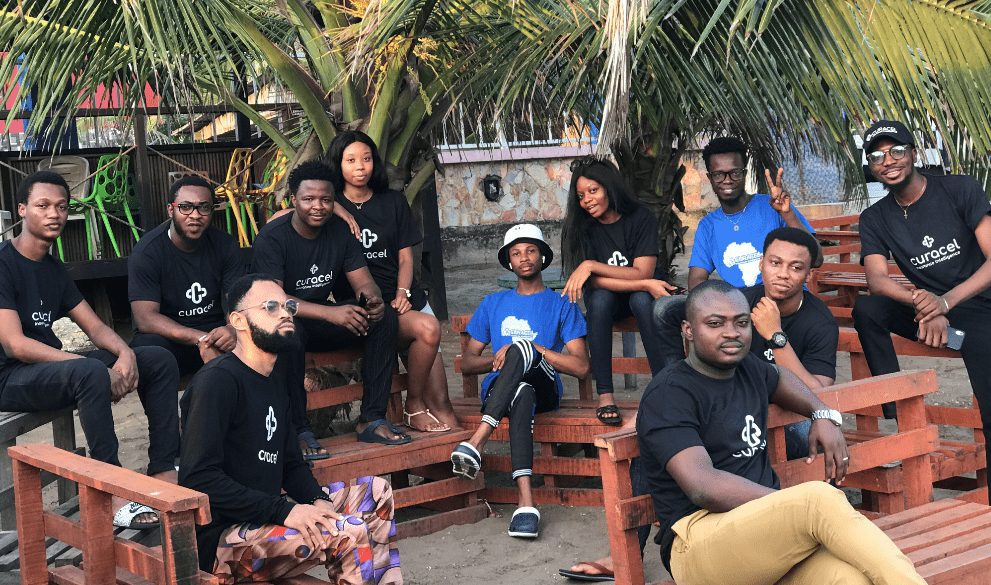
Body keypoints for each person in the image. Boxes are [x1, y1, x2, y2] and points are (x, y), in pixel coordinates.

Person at [562, 227, 838, 581]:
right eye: (775, 263)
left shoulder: (818, 319)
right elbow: (671, 312)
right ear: (761, 264)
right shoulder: (738, 301)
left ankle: (773, 528)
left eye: (795, 267)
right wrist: (676, 390)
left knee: (685, 440)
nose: (782, 274)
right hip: (728, 416)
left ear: (809, 274)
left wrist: (775, 336)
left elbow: (819, 391)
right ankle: (626, 556)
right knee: (656, 437)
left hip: (789, 425)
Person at [641, 281, 925, 585]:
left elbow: (780, 377)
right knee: (817, 500)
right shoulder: (670, 394)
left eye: (741, 323)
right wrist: (789, 508)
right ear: (688, 330)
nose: (731, 333)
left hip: (763, 539)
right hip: (698, 543)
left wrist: (822, 413)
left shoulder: (747, 369)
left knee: (851, 579)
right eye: (715, 323)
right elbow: (703, 486)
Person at [179, 273, 401, 584]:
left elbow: (291, 465)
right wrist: (285, 511)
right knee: (347, 532)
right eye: (270, 307)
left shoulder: (274, 382)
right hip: (223, 539)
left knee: (376, 492)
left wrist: (317, 500)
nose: (285, 313)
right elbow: (199, 478)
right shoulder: (218, 381)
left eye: (288, 306)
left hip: (266, 514)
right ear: (238, 321)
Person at [0, 171, 180, 530]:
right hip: (9, 377)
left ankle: (163, 470)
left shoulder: (52, 267)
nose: (54, 214)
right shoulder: (4, 264)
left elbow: (95, 328)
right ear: (22, 210)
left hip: (47, 371)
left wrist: (125, 354)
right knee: (90, 370)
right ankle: (109, 490)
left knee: (156, 358)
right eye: (42, 206)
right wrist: (99, 370)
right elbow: (15, 345)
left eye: (61, 207)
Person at [252, 160, 407, 456]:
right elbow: (272, 301)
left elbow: (364, 282)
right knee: (288, 332)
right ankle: (298, 430)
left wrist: (372, 300)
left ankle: (372, 419)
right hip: (281, 320)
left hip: (321, 318)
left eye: (325, 199)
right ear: (294, 200)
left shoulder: (339, 231)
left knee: (383, 318)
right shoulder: (272, 238)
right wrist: (331, 313)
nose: (318, 206)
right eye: (308, 199)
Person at [853, 119, 991, 437]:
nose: (888, 161)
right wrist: (924, 304)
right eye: (877, 156)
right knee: (867, 309)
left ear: (914, 154)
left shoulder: (959, 189)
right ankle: (896, 406)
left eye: (896, 151)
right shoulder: (874, 218)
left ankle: (957, 337)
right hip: (933, 317)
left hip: (979, 306)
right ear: (871, 166)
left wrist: (945, 303)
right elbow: (877, 280)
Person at [450, 224, 588, 538]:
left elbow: (581, 367)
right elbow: (468, 363)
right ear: (509, 262)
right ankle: (526, 503)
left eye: (530, 251)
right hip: (504, 392)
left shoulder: (561, 303)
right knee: (520, 390)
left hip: (545, 388)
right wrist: (500, 358)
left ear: (543, 257)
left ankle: (477, 441)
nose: (524, 258)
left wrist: (533, 349)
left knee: (523, 352)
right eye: (516, 253)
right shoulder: (493, 303)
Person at [327, 131, 456, 432]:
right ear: (338, 164)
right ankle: (414, 405)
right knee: (427, 328)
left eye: (366, 158)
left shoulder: (393, 201)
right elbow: (289, 211)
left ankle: (451, 447)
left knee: (442, 405)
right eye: (350, 160)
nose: (360, 166)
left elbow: (406, 258)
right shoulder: (326, 208)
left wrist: (402, 293)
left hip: (406, 300)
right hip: (367, 310)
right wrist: (333, 205)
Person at [560, 157, 677, 426]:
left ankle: (662, 389)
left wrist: (592, 265)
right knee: (600, 301)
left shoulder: (640, 218)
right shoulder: (581, 227)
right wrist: (642, 283)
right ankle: (605, 395)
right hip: (608, 297)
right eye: (581, 195)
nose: (587, 200)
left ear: (609, 187)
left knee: (641, 299)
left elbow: (643, 272)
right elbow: (595, 283)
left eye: (593, 190)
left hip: (642, 296)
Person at [129, 175, 246, 375]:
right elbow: (145, 319)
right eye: (185, 207)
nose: (195, 215)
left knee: (257, 333)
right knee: (147, 349)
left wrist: (232, 329)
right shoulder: (147, 252)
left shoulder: (226, 245)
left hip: (217, 333)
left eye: (204, 207)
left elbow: (237, 302)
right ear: (170, 210)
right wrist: (200, 339)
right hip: (172, 337)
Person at [688, 136, 815, 290]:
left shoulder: (774, 207)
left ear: (745, 173)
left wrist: (787, 215)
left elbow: (817, 259)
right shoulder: (708, 226)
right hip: (740, 303)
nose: (727, 180)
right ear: (710, 178)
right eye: (718, 174)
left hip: (786, 298)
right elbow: (696, 281)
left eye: (735, 172)